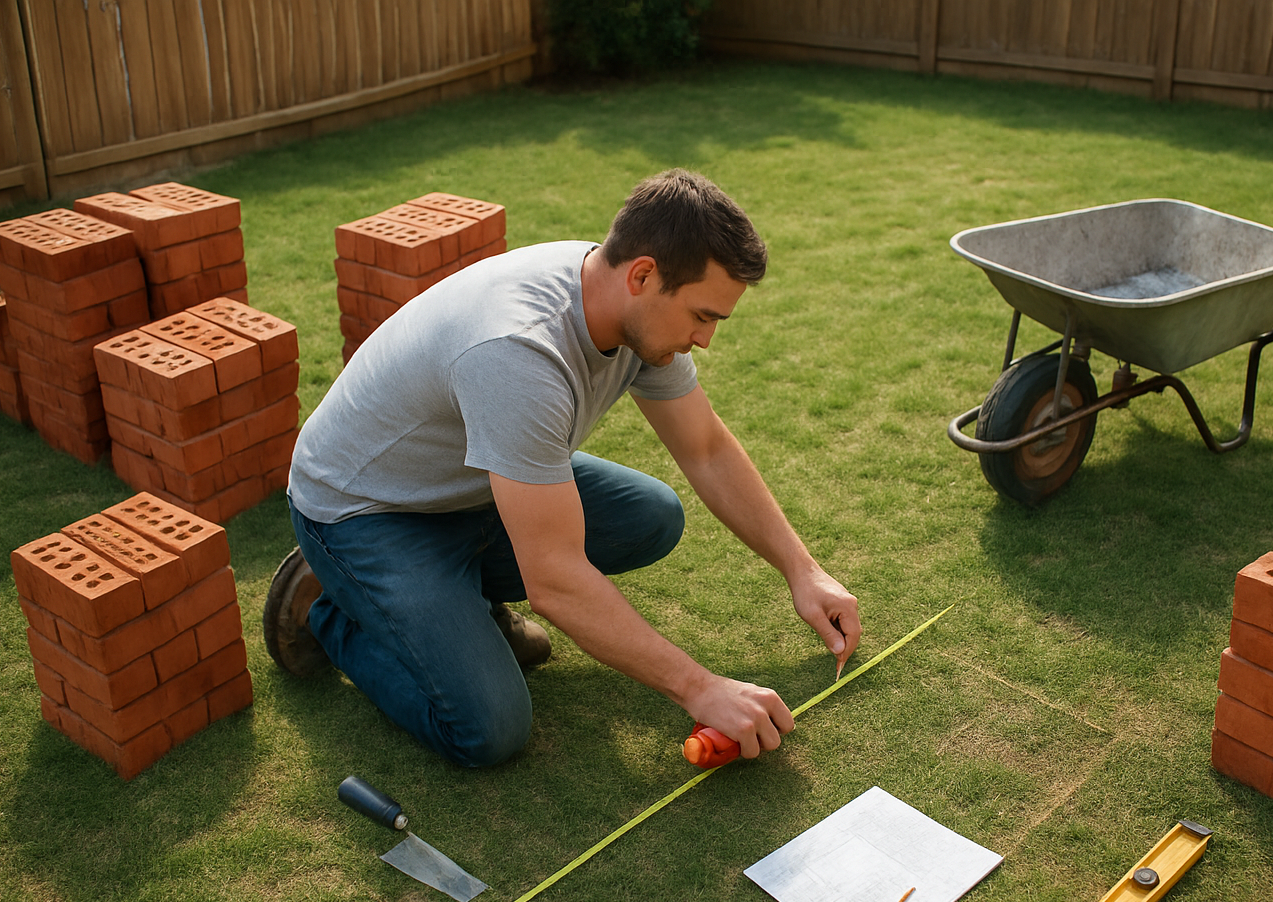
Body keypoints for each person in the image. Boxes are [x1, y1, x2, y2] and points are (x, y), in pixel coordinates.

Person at [264, 168, 860, 767]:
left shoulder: (626, 307)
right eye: (703, 316)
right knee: (488, 729)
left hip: (468, 488)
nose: (705, 339)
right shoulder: (519, 353)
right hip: (366, 511)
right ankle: (333, 610)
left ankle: (456, 597)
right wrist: (702, 688)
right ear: (643, 275)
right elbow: (553, 581)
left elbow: (704, 448)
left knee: (651, 516)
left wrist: (802, 571)